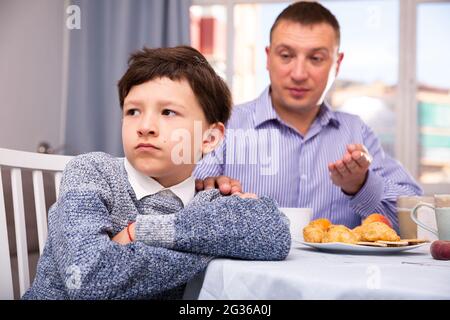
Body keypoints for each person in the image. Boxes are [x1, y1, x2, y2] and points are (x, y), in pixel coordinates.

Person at [22, 46, 290, 300]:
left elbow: (275, 233)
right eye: (133, 111)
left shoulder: (208, 199)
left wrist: (138, 231)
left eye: (168, 112)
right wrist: (213, 245)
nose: (145, 126)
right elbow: (87, 278)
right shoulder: (92, 171)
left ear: (209, 138)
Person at [195, 1, 422, 232]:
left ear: (337, 64)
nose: (299, 74)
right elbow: (179, 205)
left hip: (336, 270)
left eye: (316, 59)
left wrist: (362, 185)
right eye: (286, 56)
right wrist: (209, 196)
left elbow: (416, 217)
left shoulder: (356, 131)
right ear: (268, 57)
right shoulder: (225, 126)